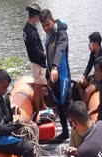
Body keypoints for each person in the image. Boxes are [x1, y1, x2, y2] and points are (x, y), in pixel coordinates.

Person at [40, 9, 71, 143]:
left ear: (53, 20)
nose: (46, 28)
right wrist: (48, 76)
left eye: (48, 24)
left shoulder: (61, 34)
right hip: (53, 77)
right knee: (59, 105)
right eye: (43, 26)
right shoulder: (48, 36)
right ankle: (65, 133)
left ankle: (80, 133)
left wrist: (54, 68)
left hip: (62, 76)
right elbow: (49, 58)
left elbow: (59, 50)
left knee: (67, 106)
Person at [23, 3, 47, 121]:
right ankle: (38, 112)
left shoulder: (27, 28)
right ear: (36, 16)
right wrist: (45, 54)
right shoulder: (31, 32)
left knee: (40, 86)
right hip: (37, 63)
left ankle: (42, 106)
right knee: (37, 89)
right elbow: (36, 51)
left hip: (35, 63)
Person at [77, 32, 102, 104]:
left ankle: (84, 110)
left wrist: (95, 79)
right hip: (95, 76)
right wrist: (83, 77)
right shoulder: (93, 53)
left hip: (101, 80)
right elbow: (89, 66)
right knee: (78, 83)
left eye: (91, 42)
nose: (89, 44)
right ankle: (83, 102)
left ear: (96, 43)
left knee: (87, 91)